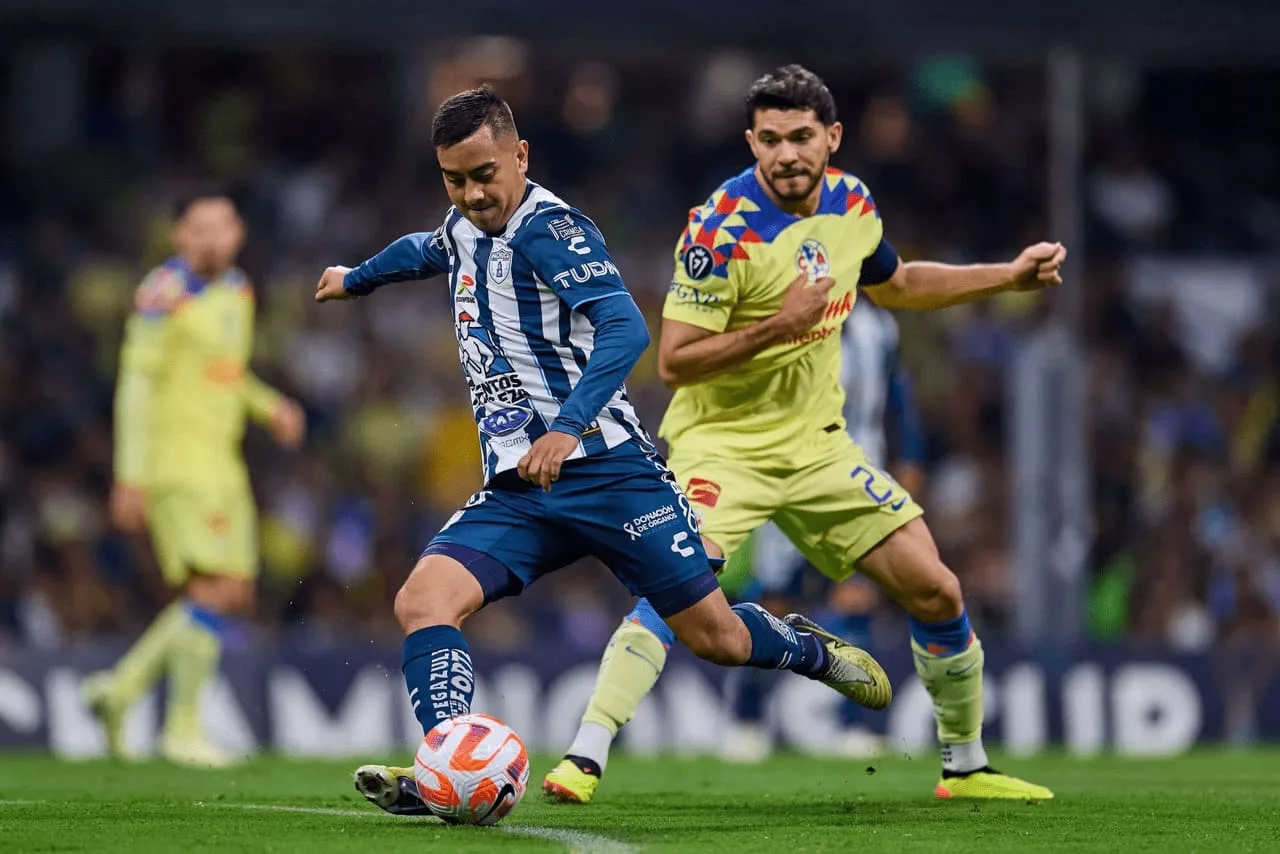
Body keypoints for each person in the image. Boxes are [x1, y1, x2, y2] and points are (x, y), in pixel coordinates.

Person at [312, 84, 892, 817]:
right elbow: (423, 249)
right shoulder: (463, 226)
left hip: (612, 472)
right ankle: (447, 771)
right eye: (454, 180)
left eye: (485, 175)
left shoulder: (553, 230)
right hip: (522, 485)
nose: (470, 194)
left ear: (520, 155)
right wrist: (354, 279)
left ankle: (810, 650)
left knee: (714, 637)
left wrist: (567, 428)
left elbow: (627, 330)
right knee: (423, 601)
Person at [543, 64, 1065, 803]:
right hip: (722, 446)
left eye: (800, 137)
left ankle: (966, 767)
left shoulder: (853, 201)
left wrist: (1006, 277)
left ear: (832, 137)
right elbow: (676, 361)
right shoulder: (718, 231)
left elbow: (898, 284)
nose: (785, 153)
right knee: (676, 586)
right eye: (769, 139)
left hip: (820, 448)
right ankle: (585, 755)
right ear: (750, 141)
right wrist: (779, 325)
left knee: (938, 590)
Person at [83, 190, 306, 767]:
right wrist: (129, 475)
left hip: (223, 463)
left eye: (222, 226)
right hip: (176, 462)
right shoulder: (162, 295)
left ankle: (120, 692)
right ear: (179, 235)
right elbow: (134, 384)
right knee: (210, 589)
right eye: (198, 227)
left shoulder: (238, 289)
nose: (211, 237)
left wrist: (268, 406)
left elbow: (226, 374)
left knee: (233, 592)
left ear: (239, 233)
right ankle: (179, 728)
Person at [717, 296, 925, 763]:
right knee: (773, 600)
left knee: (857, 597)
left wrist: (909, 459)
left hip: (857, 478)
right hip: (792, 478)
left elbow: (898, 400)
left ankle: (853, 725)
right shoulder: (793, 314)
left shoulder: (880, 327)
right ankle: (746, 718)